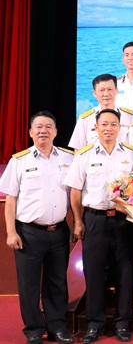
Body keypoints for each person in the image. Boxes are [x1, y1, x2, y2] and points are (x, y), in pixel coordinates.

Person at [0, 112, 75, 344]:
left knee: (57, 282)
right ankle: (33, 330)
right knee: (29, 284)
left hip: (59, 231)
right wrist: (11, 232)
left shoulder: (68, 158)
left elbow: (74, 194)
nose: (43, 130)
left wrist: (77, 222)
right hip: (28, 233)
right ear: (31, 132)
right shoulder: (19, 161)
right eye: (39, 127)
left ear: (56, 132)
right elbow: (10, 199)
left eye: (48, 126)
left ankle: (57, 328)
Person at [64, 109, 133, 343]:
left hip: (124, 220)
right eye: (104, 124)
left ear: (120, 128)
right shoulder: (85, 155)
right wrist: (77, 221)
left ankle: (122, 322)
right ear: (95, 128)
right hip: (94, 220)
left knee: (125, 271)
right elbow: (75, 190)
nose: (108, 128)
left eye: (113, 124)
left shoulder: (132, 154)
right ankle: (95, 324)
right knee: (94, 272)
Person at [69, 73, 133, 149]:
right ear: (94, 93)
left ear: (116, 91)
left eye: (110, 89)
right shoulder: (85, 119)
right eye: (101, 90)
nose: (106, 94)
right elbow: (78, 150)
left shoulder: (129, 117)